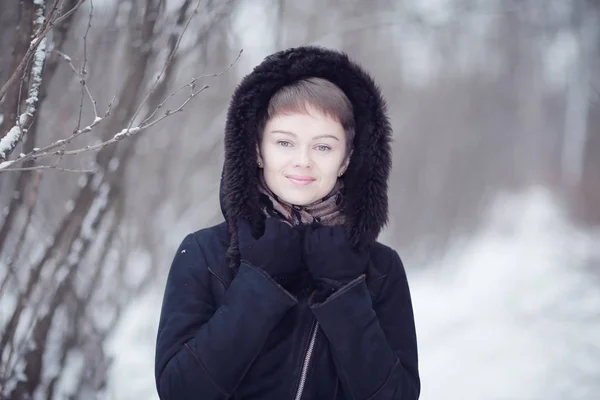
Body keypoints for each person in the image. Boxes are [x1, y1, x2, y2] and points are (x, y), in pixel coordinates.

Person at [154, 46, 420, 400]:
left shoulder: (381, 270)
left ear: (346, 159)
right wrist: (258, 284)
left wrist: (344, 294)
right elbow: (180, 391)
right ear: (258, 150)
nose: (302, 161)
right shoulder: (205, 254)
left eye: (323, 147)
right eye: (284, 143)